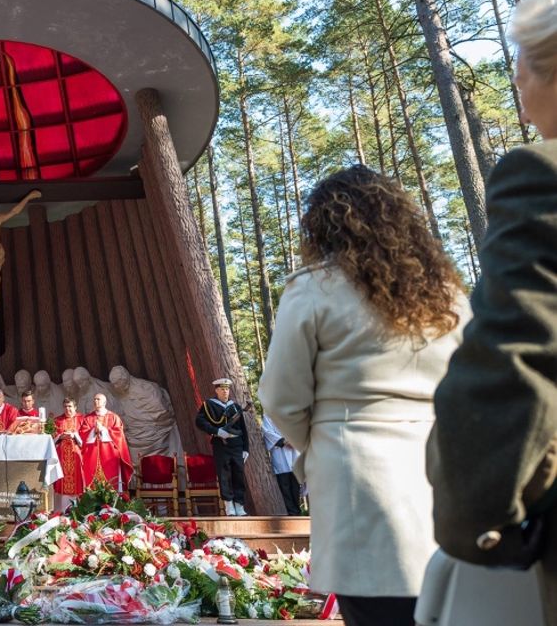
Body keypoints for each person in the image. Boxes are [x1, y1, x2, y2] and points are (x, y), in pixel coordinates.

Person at [259, 165, 468, 626]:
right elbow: (471, 385)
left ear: (322, 227)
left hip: (358, 476)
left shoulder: (314, 288)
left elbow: (281, 398)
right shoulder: (448, 296)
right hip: (444, 475)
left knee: (375, 612)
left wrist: (322, 442)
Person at [428, 0, 557, 624]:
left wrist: (478, 521)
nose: (514, 74)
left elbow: (515, 358)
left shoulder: (542, 173)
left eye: (521, 59)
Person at [194, 378, 249, 516]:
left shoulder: (235, 407)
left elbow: (243, 429)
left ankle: (239, 505)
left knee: (238, 475)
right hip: (221, 445)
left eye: (227, 389)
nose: (225, 392)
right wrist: (216, 431)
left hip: (237, 445)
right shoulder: (209, 405)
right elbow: (199, 421)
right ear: (216, 390)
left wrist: (246, 448)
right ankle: (229, 506)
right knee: (224, 475)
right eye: (222, 389)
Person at [108, 365, 181, 466]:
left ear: (124, 378)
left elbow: (161, 413)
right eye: (114, 384)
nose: (116, 387)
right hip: (135, 436)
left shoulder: (146, 389)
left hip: (154, 433)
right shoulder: (119, 395)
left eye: (117, 383)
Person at [80, 393, 133, 492]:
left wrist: (103, 430)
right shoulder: (88, 418)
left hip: (110, 455)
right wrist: (93, 431)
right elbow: (82, 434)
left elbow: (119, 435)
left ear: (104, 402)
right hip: (92, 455)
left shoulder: (113, 417)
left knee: (111, 482)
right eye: (94, 399)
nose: (95, 401)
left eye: (98, 399)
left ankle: (112, 504)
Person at [261, 415, 301, 516]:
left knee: (296, 485)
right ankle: (291, 513)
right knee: (284, 485)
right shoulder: (269, 415)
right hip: (280, 452)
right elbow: (267, 432)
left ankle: (297, 511)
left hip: (294, 451)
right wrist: (284, 441)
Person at [53, 398, 85, 512]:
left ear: (75, 407)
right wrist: (60, 437)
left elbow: (85, 438)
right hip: (62, 456)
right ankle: (61, 510)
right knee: (62, 481)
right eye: (65, 406)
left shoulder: (82, 419)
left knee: (77, 481)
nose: (68, 409)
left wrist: (74, 435)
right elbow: (52, 437)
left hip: (76, 455)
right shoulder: (58, 420)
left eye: (70, 406)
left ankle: (77, 510)